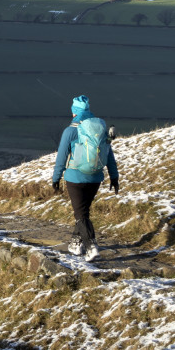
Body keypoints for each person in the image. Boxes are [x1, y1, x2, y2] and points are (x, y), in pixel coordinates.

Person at [51, 95, 119, 261]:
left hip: (75, 178)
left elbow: (61, 157)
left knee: (80, 215)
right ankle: (76, 243)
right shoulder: (100, 130)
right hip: (95, 178)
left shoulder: (70, 131)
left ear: (74, 112)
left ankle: (91, 246)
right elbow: (109, 154)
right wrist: (114, 176)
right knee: (83, 212)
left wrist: (56, 178)